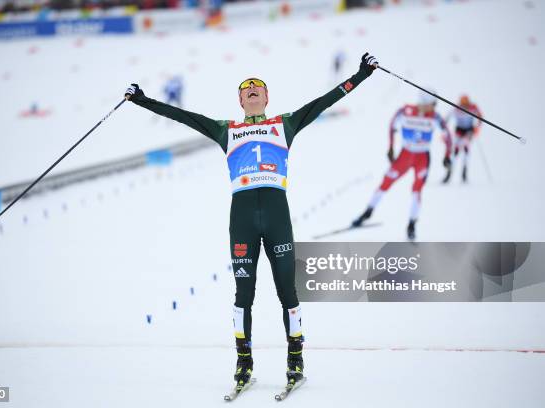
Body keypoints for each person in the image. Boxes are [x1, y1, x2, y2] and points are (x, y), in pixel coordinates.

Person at [124, 53, 379, 389]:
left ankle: (295, 357)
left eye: (258, 87)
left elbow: (326, 100)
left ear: (267, 98)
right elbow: (183, 116)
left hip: (277, 217)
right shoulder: (225, 130)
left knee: (287, 291)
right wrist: (142, 101)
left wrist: (362, 74)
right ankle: (243, 361)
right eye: (246, 88)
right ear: (240, 100)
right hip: (242, 219)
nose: (253, 89)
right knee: (243, 293)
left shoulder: (284, 124)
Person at [352, 91, 451, 240]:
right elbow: (392, 125)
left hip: (422, 157)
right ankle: (367, 212)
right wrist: (391, 147)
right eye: (433, 103)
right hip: (405, 155)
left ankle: (411, 225)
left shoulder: (435, 117)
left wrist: (447, 155)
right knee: (386, 181)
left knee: (417, 190)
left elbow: (447, 135)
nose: (434, 107)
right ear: (424, 102)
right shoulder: (405, 111)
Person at [443, 95, 482, 183]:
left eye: (466, 104)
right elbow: (447, 118)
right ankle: (449, 173)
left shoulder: (473, 107)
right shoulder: (456, 108)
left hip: (468, 132)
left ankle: (464, 172)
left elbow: (480, 118)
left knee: (466, 150)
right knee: (455, 151)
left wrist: (476, 129)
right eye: (463, 104)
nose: (464, 106)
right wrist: (444, 127)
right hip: (459, 131)